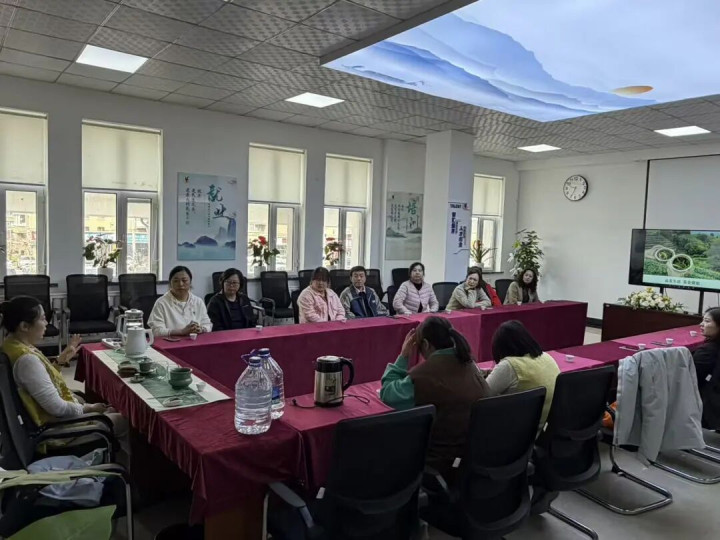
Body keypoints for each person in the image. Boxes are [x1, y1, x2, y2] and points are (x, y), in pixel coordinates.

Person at [380, 316, 491, 477]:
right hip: (475, 459)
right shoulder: (470, 364)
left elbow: (387, 394)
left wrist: (403, 355)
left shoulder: (424, 375)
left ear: (425, 344)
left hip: (442, 463)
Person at [0, 296, 121, 428]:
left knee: (98, 406)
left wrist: (60, 361)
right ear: (24, 326)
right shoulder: (27, 360)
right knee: (122, 419)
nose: (46, 323)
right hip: (53, 428)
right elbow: (58, 409)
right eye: (42, 319)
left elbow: (39, 381)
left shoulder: (11, 345)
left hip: (44, 419)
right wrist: (89, 409)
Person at [486, 320, 559, 426]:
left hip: (513, 429)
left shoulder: (509, 366)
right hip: (543, 427)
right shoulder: (548, 357)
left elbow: (481, 393)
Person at [148, 266, 212, 337]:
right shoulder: (161, 303)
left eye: (184, 280)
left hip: (195, 341)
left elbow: (208, 324)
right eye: (176, 281)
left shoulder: (198, 301)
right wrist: (181, 332)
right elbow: (156, 331)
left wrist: (201, 329)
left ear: (190, 282)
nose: (180, 284)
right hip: (171, 342)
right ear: (170, 283)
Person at [693, 308, 720, 429]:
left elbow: (691, 378)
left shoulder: (707, 351)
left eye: (707, 321)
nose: (701, 324)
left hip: (709, 406)